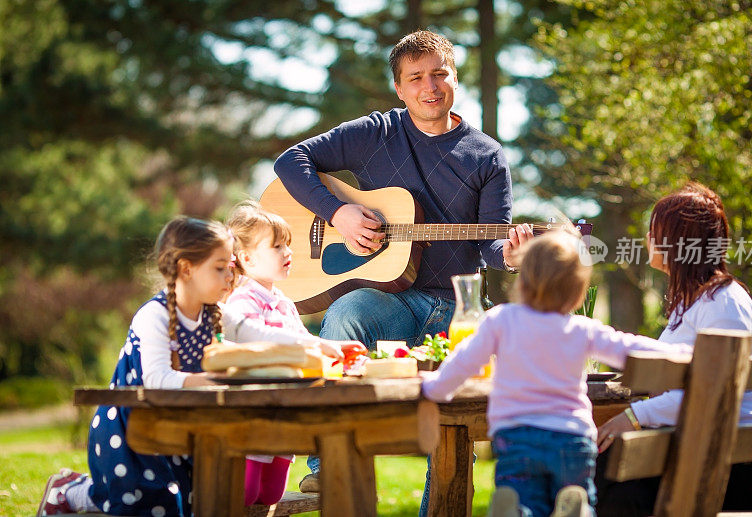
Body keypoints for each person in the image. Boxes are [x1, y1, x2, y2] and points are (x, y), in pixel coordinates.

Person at [272, 29, 533, 498]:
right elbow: (292, 161)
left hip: (458, 308)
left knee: (454, 434)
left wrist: (512, 255)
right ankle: (328, 461)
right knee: (347, 312)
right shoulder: (376, 133)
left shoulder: (487, 155)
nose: (429, 87)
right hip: (390, 300)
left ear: (455, 78)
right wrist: (339, 212)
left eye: (439, 74)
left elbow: (493, 241)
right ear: (399, 88)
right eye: (415, 78)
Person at [36, 217, 343, 516]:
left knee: (181, 502)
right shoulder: (153, 315)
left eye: (230, 267)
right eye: (220, 268)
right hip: (133, 424)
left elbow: (262, 334)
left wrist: (320, 345)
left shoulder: (215, 312)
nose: (229, 276)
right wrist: (210, 383)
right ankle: (67, 490)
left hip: (183, 422)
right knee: (134, 502)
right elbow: (156, 378)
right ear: (186, 269)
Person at [422, 230, 691, 517]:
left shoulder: (501, 320)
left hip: (517, 438)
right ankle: (574, 509)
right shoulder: (580, 329)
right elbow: (628, 347)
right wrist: (683, 354)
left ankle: (516, 510)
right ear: (577, 293)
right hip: (571, 440)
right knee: (576, 497)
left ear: (523, 279)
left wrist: (433, 388)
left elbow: (464, 362)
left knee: (527, 500)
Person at [594, 182, 752, 516]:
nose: (646, 237)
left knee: (610, 472)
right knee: (611, 476)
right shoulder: (693, 303)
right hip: (713, 447)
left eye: (654, 229)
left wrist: (634, 417)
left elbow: (711, 394)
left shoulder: (724, 302)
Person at [225, 200, 366, 506]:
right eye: (277, 247)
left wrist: (340, 352)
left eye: (287, 244)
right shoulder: (242, 301)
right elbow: (257, 343)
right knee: (244, 496)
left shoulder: (284, 303)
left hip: (283, 421)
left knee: (270, 496)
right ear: (246, 257)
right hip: (253, 418)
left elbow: (305, 342)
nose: (288, 252)